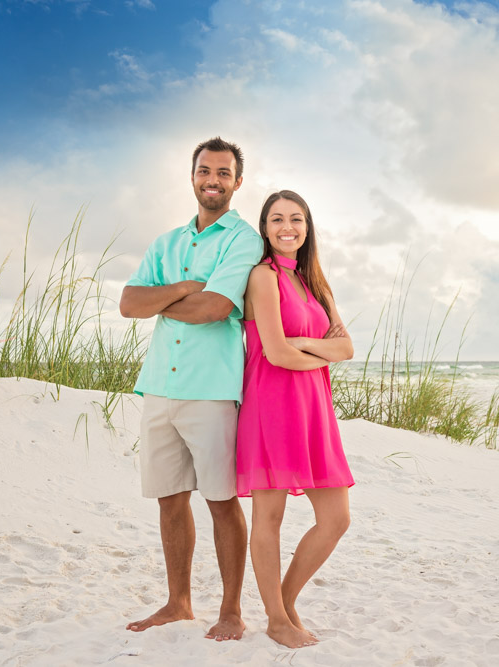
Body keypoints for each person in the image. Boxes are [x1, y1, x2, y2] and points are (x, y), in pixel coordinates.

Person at [119, 137, 263, 641]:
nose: (213, 180)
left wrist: (165, 297)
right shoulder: (167, 243)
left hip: (212, 390)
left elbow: (216, 309)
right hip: (159, 386)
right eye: (205, 170)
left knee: (221, 500)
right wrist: (185, 287)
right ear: (192, 175)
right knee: (168, 498)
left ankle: (230, 610)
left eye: (223, 173)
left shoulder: (244, 239)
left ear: (237, 182)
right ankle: (178, 603)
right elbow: (128, 304)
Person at [236, 190, 355, 649]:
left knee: (336, 518)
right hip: (271, 405)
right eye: (278, 219)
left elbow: (346, 349)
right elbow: (275, 351)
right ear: (265, 228)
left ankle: (282, 603)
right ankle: (277, 617)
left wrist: (303, 347)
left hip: (314, 409)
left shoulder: (316, 283)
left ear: (307, 227)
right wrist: (312, 349)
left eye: (297, 219)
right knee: (270, 515)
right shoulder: (262, 278)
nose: (288, 227)